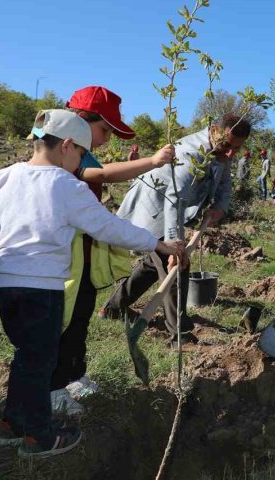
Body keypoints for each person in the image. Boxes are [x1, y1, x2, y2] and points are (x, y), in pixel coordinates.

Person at [0, 109, 184, 458]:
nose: (79, 162)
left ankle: (12, 424)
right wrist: (158, 244)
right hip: (42, 286)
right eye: (80, 154)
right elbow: (108, 227)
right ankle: (39, 437)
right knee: (41, 359)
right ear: (68, 145)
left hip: (6, 284)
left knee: (26, 354)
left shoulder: (4, 176)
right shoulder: (66, 185)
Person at [50, 86, 176, 416]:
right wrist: (153, 161)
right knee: (64, 323)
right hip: (65, 257)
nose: (107, 138)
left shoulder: (82, 151)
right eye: (104, 129)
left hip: (84, 258)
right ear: (80, 120)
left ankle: (74, 375)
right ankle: (53, 389)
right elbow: (103, 175)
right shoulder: (64, 156)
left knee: (79, 319)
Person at [100, 113, 251, 342]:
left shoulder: (220, 151)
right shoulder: (191, 154)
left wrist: (220, 206)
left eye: (236, 149)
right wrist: (174, 244)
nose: (231, 152)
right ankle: (180, 333)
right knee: (177, 266)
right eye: (228, 145)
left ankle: (112, 308)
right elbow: (173, 201)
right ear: (213, 129)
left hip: (172, 209)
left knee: (155, 264)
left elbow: (224, 183)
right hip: (154, 208)